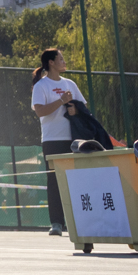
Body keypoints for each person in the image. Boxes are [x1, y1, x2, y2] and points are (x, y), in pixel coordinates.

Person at [31, 48, 85, 237]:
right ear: (51, 63)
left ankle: (76, 221)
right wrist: (61, 101)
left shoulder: (70, 83)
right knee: (54, 181)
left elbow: (83, 108)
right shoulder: (41, 86)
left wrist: (74, 111)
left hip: (73, 139)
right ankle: (56, 223)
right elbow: (40, 111)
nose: (64, 61)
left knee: (75, 180)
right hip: (52, 140)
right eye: (60, 59)